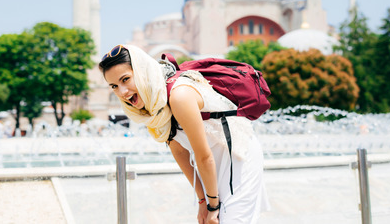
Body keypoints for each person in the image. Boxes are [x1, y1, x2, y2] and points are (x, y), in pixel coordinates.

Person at [99, 44, 269, 224]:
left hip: (238, 157)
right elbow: (180, 151)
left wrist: (212, 206)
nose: (122, 92)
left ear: (142, 72)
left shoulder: (179, 95)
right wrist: (203, 201)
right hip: (213, 165)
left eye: (125, 79)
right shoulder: (155, 102)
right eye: (114, 86)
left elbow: (203, 157)